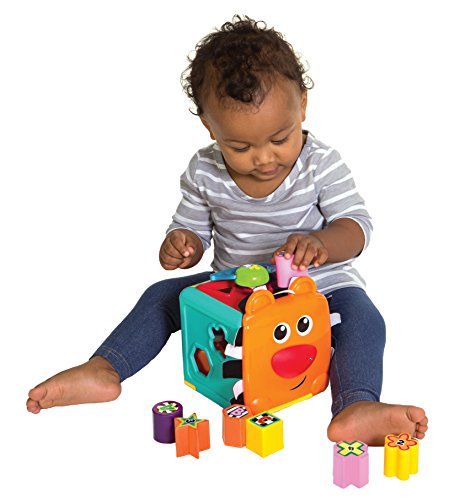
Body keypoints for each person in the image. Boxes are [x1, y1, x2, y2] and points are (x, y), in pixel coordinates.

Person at [26, 15, 428, 446]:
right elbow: (191, 229)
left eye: (280, 138)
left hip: (319, 285)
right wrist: (182, 243)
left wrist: (322, 243)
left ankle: (355, 406)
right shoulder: (204, 170)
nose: (264, 158)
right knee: (163, 296)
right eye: (240, 146)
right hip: (235, 289)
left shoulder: (320, 164)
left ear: (302, 106)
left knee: (364, 319)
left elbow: (357, 227)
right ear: (209, 127)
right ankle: (105, 367)